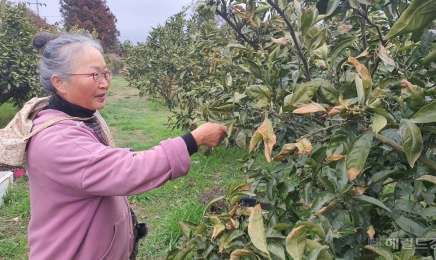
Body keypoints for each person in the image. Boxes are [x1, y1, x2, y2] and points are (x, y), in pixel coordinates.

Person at [26, 32, 228, 259]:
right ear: (60, 83)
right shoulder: (60, 141)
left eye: (106, 73)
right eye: (94, 75)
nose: (104, 83)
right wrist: (194, 139)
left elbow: (106, 164)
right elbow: (128, 170)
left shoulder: (78, 118)